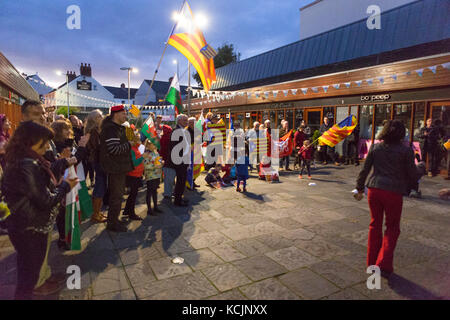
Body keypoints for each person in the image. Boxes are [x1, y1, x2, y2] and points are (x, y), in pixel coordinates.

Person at [1, 121, 78, 299]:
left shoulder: (22, 159)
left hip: (22, 224)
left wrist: (63, 163)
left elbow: (45, 176)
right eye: (42, 143)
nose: (46, 148)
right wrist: (66, 186)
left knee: (27, 268)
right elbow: (45, 200)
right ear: (30, 142)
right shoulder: (27, 164)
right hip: (30, 227)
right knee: (30, 276)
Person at [355, 120, 419, 276]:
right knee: (392, 227)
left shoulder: (376, 148)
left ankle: (371, 263)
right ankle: (383, 263)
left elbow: (365, 169)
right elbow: (413, 174)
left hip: (374, 189)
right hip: (393, 191)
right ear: (401, 133)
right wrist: (421, 168)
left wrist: (359, 187)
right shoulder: (406, 151)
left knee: (374, 225)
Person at [50, 119, 89, 249]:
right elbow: (74, 160)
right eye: (65, 128)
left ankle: (67, 236)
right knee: (62, 213)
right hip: (63, 181)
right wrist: (82, 147)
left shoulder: (68, 142)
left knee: (69, 210)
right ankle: (62, 238)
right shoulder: (58, 145)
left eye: (68, 128)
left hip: (71, 179)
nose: (69, 130)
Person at [99, 105, 133, 232]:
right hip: (115, 167)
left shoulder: (119, 128)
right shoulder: (111, 129)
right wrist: (129, 144)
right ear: (116, 114)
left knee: (118, 195)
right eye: (123, 114)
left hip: (120, 166)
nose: (125, 116)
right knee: (117, 196)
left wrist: (131, 138)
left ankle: (114, 219)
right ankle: (112, 223)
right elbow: (114, 149)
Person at [84, 110, 107, 223]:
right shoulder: (92, 131)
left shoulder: (99, 129)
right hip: (98, 161)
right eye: (98, 116)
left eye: (101, 116)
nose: (101, 117)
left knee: (101, 187)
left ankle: (98, 212)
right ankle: (95, 214)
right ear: (93, 119)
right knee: (99, 187)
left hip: (102, 160)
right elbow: (96, 147)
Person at [166, 114, 190, 207]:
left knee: (182, 181)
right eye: (185, 120)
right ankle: (177, 200)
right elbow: (174, 147)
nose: (186, 122)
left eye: (187, 120)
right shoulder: (176, 131)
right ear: (179, 121)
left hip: (182, 160)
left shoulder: (182, 130)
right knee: (180, 181)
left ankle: (179, 197)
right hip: (179, 160)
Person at [121, 131, 144, 221]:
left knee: (133, 195)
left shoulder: (135, 148)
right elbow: (134, 163)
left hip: (137, 175)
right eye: (138, 138)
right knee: (133, 195)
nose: (140, 140)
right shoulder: (131, 149)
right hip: (133, 175)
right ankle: (131, 213)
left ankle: (127, 210)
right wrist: (143, 157)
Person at [143, 140, 163, 216]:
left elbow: (159, 160)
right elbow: (145, 165)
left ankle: (155, 206)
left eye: (155, 144)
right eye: (152, 144)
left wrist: (161, 162)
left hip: (157, 175)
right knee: (149, 192)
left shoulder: (156, 152)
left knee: (155, 191)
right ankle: (149, 209)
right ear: (148, 146)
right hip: (150, 176)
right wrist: (154, 166)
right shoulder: (146, 154)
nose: (154, 146)